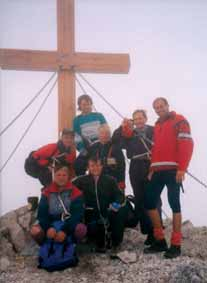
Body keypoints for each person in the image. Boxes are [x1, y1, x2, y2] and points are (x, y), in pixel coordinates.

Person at [144, 97, 194, 258]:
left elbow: (187, 144)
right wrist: (152, 168)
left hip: (173, 170)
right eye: (156, 108)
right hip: (157, 170)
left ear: (167, 105)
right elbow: (156, 149)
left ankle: (176, 244)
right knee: (149, 202)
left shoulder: (180, 120)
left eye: (161, 106)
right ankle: (160, 241)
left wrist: (182, 169)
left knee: (174, 204)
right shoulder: (157, 125)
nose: (159, 109)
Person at [113, 110, 162, 245]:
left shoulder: (154, 130)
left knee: (153, 199)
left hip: (151, 165)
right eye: (135, 119)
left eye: (141, 118)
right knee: (139, 199)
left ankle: (157, 231)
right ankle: (148, 232)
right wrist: (122, 126)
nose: (138, 121)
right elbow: (116, 141)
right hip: (135, 166)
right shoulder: (130, 133)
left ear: (145, 119)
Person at [72, 156, 127, 259]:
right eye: (92, 165)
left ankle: (116, 244)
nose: (95, 168)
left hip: (107, 211)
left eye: (98, 165)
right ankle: (95, 241)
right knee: (97, 239)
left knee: (119, 213)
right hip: (91, 214)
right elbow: (68, 189)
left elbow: (119, 195)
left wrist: (117, 203)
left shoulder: (110, 180)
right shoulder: (81, 180)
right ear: (88, 167)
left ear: (102, 166)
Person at [30, 163, 86, 245]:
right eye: (58, 175)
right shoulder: (47, 192)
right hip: (51, 224)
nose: (61, 178)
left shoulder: (76, 192)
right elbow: (42, 214)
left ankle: (72, 244)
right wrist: (48, 228)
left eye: (64, 175)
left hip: (68, 225)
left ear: (68, 177)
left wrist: (65, 231)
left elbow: (77, 215)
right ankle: (46, 245)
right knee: (35, 230)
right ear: (54, 176)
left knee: (81, 229)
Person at [74, 125, 126, 191]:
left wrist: (121, 182)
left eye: (107, 133)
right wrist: (82, 177)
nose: (105, 135)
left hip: (112, 182)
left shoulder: (116, 148)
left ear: (110, 135)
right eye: (102, 133)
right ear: (98, 135)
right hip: (95, 182)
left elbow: (121, 166)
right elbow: (79, 162)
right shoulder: (92, 147)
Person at [73, 94, 107, 176]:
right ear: (80, 106)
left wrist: (106, 143)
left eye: (88, 104)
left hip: (100, 145)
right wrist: (82, 149)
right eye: (84, 104)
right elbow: (76, 137)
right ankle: (83, 183)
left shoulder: (99, 116)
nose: (86, 106)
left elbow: (106, 130)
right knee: (78, 165)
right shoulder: (77, 120)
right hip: (87, 146)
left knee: (102, 165)